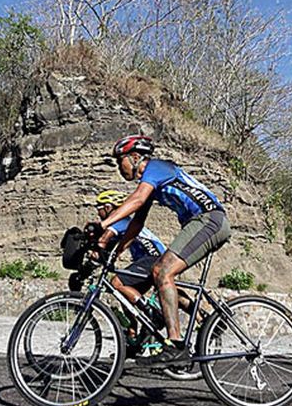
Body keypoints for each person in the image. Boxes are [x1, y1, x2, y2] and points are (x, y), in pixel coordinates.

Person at [98, 135, 231, 366]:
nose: (119, 167)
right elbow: (136, 225)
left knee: (162, 271)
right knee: (163, 275)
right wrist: (117, 252)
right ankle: (207, 319)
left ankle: (176, 344)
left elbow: (137, 199)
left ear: (135, 157)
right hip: (202, 223)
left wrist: (103, 224)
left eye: (121, 161)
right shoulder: (152, 184)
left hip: (209, 220)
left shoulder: (157, 168)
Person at [93, 190, 167, 340]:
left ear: (108, 207)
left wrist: (92, 252)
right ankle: (132, 334)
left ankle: (152, 313)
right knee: (123, 295)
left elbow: (104, 240)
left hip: (153, 258)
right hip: (153, 259)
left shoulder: (119, 221)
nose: (97, 212)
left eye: (98, 207)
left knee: (116, 283)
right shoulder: (124, 222)